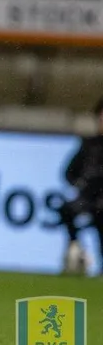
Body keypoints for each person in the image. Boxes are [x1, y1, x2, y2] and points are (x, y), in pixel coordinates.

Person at [59, 97, 103, 276]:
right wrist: (80, 184)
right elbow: (69, 172)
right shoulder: (88, 145)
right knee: (67, 209)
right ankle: (76, 249)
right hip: (88, 198)